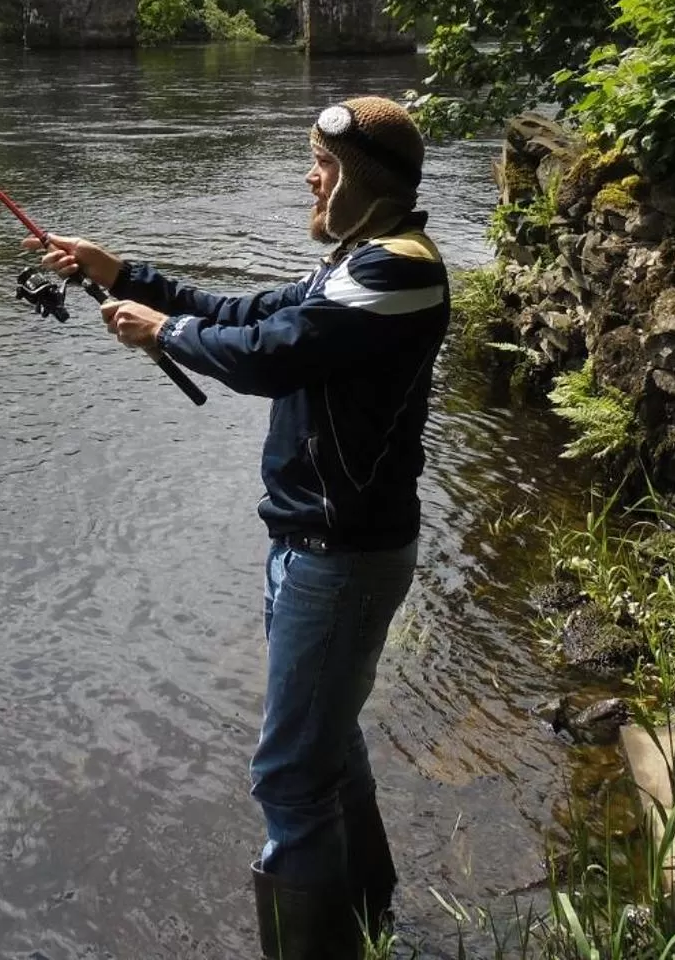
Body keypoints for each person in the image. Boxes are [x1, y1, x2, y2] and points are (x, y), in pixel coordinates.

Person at [30, 96, 450, 960]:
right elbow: (250, 315)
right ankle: (372, 921)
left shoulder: (397, 272)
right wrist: (123, 276)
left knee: (290, 777)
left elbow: (271, 355)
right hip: (318, 547)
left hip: (341, 556)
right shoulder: (358, 261)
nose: (310, 176)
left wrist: (163, 331)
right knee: (331, 750)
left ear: (367, 182)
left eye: (324, 168)